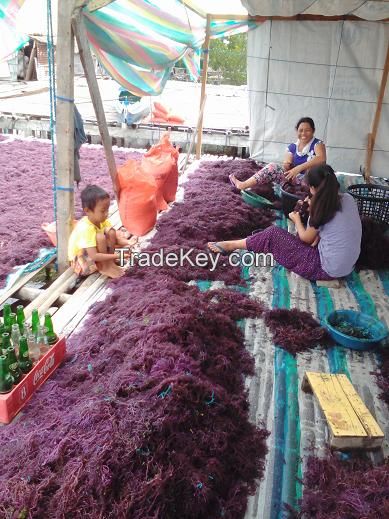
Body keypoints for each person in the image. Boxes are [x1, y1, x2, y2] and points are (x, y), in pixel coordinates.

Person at [208, 164, 362, 281]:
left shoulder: (320, 206)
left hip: (325, 270)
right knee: (308, 238)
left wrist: (296, 220)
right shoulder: (348, 199)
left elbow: (305, 239)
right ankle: (253, 242)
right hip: (347, 268)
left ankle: (231, 245)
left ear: (313, 188)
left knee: (273, 234)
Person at [229, 117, 326, 190]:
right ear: (297, 131)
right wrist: (288, 165)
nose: (304, 133)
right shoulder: (292, 147)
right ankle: (243, 185)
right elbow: (287, 166)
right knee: (272, 167)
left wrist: (298, 168)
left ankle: (296, 191)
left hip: (314, 182)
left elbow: (321, 158)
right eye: (301, 130)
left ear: (313, 131)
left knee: (311, 169)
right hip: (295, 181)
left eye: (307, 130)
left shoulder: (318, 144)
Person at [68, 185, 133, 279]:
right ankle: (105, 267)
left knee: (111, 232)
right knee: (100, 237)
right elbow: (94, 256)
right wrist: (117, 255)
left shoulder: (102, 221)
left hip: (95, 253)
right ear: (87, 211)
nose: (106, 214)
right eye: (103, 211)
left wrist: (128, 243)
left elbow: (115, 237)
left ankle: (110, 264)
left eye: (107, 210)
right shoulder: (85, 228)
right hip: (82, 260)